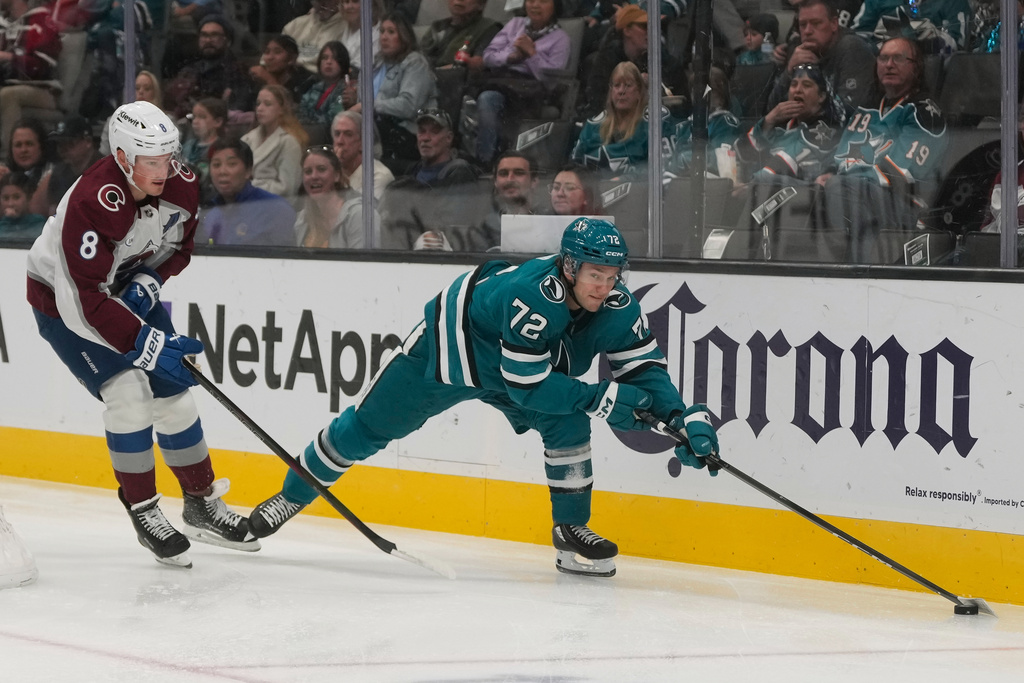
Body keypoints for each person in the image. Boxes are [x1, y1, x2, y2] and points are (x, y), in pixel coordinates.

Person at [247, 218, 721, 576]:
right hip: (451, 350)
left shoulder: (618, 305)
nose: (605, 285)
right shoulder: (535, 294)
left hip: (519, 366)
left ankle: (570, 533)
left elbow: (644, 369)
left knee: (567, 424)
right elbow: (529, 385)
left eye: (613, 274)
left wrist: (681, 417)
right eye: (595, 274)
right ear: (571, 265)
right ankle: (290, 496)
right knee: (367, 429)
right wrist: (602, 398)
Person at [25, 101, 259, 568]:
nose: (164, 169)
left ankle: (200, 503)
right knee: (129, 393)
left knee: (175, 392)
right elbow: (84, 302)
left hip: (125, 285)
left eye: (168, 156)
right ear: (123, 157)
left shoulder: (182, 182)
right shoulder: (93, 201)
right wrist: (144, 343)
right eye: (150, 160)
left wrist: (150, 282)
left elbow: (180, 246)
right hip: (65, 302)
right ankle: (144, 509)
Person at [818, 37, 947, 262]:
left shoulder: (926, 113)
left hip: (901, 203)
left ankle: (840, 270)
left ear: (916, 68)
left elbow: (899, 177)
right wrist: (826, 173)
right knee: (780, 186)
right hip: (851, 193)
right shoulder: (866, 109)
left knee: (838, 187)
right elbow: (840, 157)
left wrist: (839, 180)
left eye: (898, 58)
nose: (888, 64)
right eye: (883, 58)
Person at [475, 0, 570, 165]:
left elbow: (552, 79)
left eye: (543, 1)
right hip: (504, 82)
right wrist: (512, 57)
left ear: (555, 6)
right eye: (531, 0)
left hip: (534, 89)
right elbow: (488, 56)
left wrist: (532, 54)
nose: (535, 5)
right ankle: (485, 162)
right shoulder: (515, 24)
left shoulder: (561, 39)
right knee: (487, 98)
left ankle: (499, 160)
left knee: (492, 100)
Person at [351, 13, 439, 173]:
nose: (384, 37)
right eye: (382, 31)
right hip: (376, 128)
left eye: (391, 32)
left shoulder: (415, 63)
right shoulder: (373, 65)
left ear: (404, 36)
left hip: (406, 131)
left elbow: (408, 106)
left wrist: (369, 106)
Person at [578, 5, 688, 121]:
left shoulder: (664, 60)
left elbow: (683, 105)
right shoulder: (606, 60)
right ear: (627, 30)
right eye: (644, 27)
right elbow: (597, 101)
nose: (651, 31)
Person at [766, 0, 877, 113]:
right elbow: (771, 110)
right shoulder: (800, 50)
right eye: (803, 25)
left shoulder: (852, 48)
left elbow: (849, 111)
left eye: (816, 23)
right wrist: (789, 72)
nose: (807, 31)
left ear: (834, 24)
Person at [741, 63, 845, 183]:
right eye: (793, 84)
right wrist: (769, 120)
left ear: (821, 96)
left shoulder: (827, 130)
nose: (798, 90)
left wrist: (750, 186)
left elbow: (786, 162)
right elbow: (743, 153)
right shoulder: (781, 131)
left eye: (806, 85)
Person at [573, 61, 673, 177]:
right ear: (611, 91)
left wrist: (628, 178)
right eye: (617, 85)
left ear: (639, 92)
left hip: (639, 192)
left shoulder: (653, 124)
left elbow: (664, 168)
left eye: (628, 85)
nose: (621, 91)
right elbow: (575, 167)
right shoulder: (592, 127)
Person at [197, 137, 297, 246]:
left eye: (231, 164)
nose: (222, 171)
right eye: (216, 165)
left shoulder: (275, 208)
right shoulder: (209, 212)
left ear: (248, 171)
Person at [0, 0, 62, 156]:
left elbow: (42, 67)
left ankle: (9, 160)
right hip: (9, 85)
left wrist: (8, 57)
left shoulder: (40, 20)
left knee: (8, 95)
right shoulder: (3, 24)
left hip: (42, 91)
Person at [164, 14, 256, 119]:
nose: (208, 40)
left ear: (227, 40)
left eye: (214, 35)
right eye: (204, 35)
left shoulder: (238, 72)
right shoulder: (188, 71)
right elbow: (170, 105)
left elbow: (236, 111)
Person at [294, 145, 379, 248]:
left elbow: (365, 263)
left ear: (336, 176)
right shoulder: (302, 219)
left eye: (321, 169)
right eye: (308, 172)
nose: (314, 176)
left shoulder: (360, 215)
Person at [241, 85, 310, 199]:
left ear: (281, 109)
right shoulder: (246, 139)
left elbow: (288, 188)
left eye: (267, 104)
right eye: (258, 103)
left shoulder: (289, 143)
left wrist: (250, 186)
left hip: (273, 206)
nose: (260, 108)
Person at [37, 115, 104, 217]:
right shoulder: (59, 172)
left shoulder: (105, 170)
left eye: (70, 143)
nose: (63, 149)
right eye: (60, 144)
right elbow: (52, 212)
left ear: (88, 141)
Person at [851, 0, 971, 53]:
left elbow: (959, 52)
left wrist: (938, 39)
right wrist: (879, 47)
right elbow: (856, 40)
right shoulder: (877, 1)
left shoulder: (954, 2)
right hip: (881, 69)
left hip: (931, 74)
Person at [478, 151, 538, 249]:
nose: (510, 179)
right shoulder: (483, 228)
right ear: (495, 182)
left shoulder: (549, 222)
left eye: (519, 173)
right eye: (503, 173)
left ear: (534, 181)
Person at [100, 71, 168, 156]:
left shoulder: (167, 123)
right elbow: (104, 154)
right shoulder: (114, 121)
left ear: (155, 93)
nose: (141, 92)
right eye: (136, 88)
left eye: (147, 89)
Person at [419, 0, 503, 70]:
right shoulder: (437, 27)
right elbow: (419, 58)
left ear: (481, 4)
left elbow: (479, 64)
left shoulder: (489, 28)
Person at [331, 110, 394, 201]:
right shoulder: (330, 172)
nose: (340, 141)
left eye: (348, 134)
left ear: (362, 143)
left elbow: (363, 212)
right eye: (337, 134)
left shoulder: (378, 176)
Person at [182, 97, 227, 206]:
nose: (196, 121)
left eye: (202, 117)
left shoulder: (222, 148)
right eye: (194, 117)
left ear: (218, 122)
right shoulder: (187, 146)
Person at [0, 119, 52, 213]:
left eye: (29, 144)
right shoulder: (5, 172)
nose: (23, 150)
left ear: (41, 146)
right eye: (18, 145)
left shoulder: (52, 173)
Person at [284, 0, 350, 73]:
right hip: (290, 73)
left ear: (339, 2)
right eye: (318, 1)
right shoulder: (294, 26)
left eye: (328, 1)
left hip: (324, 78)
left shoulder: (348, 29)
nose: (322, 5)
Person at [299, 42, 356, 127]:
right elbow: (301, 109)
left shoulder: (346, 90)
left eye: (335, 58)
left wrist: (306, 122)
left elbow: (332, 119)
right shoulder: (315, 86)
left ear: (343, 63)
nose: (328, 62)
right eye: (324, 58)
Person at [249, 34, 317, 106]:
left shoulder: (307, 81)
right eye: (267, 52)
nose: (270, 57)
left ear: (292, 58)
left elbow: (293, 111)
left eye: (277, 52)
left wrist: (269, 79)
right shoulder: (259, 79)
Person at [338, 0, 383, 72]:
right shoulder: (343, 26)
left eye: (355, 1)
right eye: (346, 1)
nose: (349, 6)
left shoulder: (378, 35)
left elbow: (358, 71)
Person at [0, 172, 45, 241]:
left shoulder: (39, 223)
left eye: (16, 197)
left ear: (28, 197)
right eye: (6, 198)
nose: (10, 204)